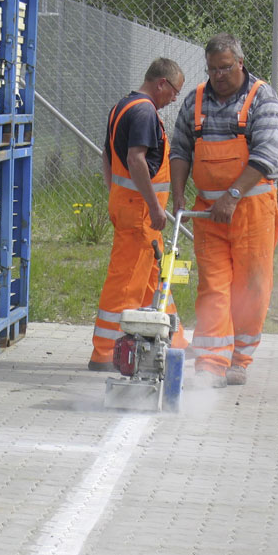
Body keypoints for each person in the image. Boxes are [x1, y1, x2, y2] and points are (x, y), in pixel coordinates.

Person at [170, 33, 278, 388]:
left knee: (251, 286)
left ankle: (239, 359)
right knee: (214, 286)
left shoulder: (261, 98)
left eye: (225, 67)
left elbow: (265, 156)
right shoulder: (195, 101)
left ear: (240, 63)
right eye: (212, 69)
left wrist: (232, 196)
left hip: (251, 208)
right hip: (208, 213)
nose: (218, 75)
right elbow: (180, 151)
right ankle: (211, 362)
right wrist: (178, 197)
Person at [88, 58, 189, 371]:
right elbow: (135, 159)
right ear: (161, 83)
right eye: (174, 91)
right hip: (141, 213)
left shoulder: (123, 106)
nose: (174, 98)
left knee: (154, 278)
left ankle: (175, 340)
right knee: (126, 282)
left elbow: (108, 155)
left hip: (131, 207)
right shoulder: (145, 111)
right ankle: (105, 352)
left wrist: (117, 194)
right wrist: (154, 206)